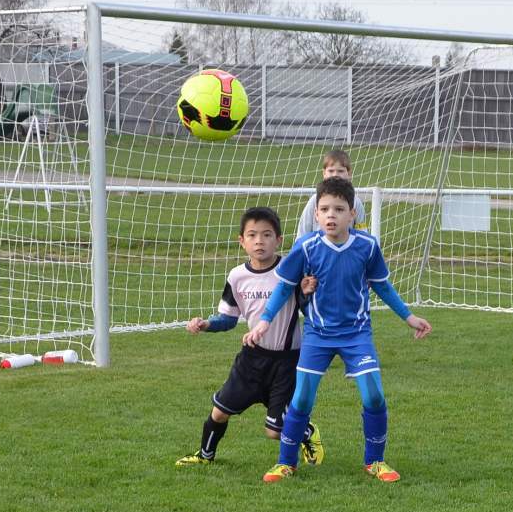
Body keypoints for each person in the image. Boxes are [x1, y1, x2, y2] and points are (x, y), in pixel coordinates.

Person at [246, 177, 431, 484]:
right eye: (324, 209)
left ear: (352, 214)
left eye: (339, 209)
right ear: (316, 214)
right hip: (318, 335)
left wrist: (408, 317)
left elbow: (382, 286)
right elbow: (285, 287)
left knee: (374, 395)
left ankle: (375, 461)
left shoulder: (367, 246)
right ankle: (286, 463)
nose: (331, 215)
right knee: (302, 399)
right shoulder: (306, 247)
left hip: (357, 334)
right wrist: (265, 320)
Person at [176, 206, 323, 469]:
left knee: (275, 432)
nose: (259, 241)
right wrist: (206, 324)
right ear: (241, 241)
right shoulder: (237, 277)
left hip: (286, 362)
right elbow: (228, 319)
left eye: (267, 235)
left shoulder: (290, 269)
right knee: (219, 412)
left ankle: (307, 431)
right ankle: (205, 456)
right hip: (251, 359)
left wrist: (305, 292)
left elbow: (305, 308)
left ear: (278, 240)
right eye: (252, 235)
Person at [295, 148, 359, 238]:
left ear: (349, 173)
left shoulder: (356, 202)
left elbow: (362, 231)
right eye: (331, 171)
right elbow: (302, 233)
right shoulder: (314, 200)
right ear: (324, 173)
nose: (335, 175)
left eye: (340, 171)